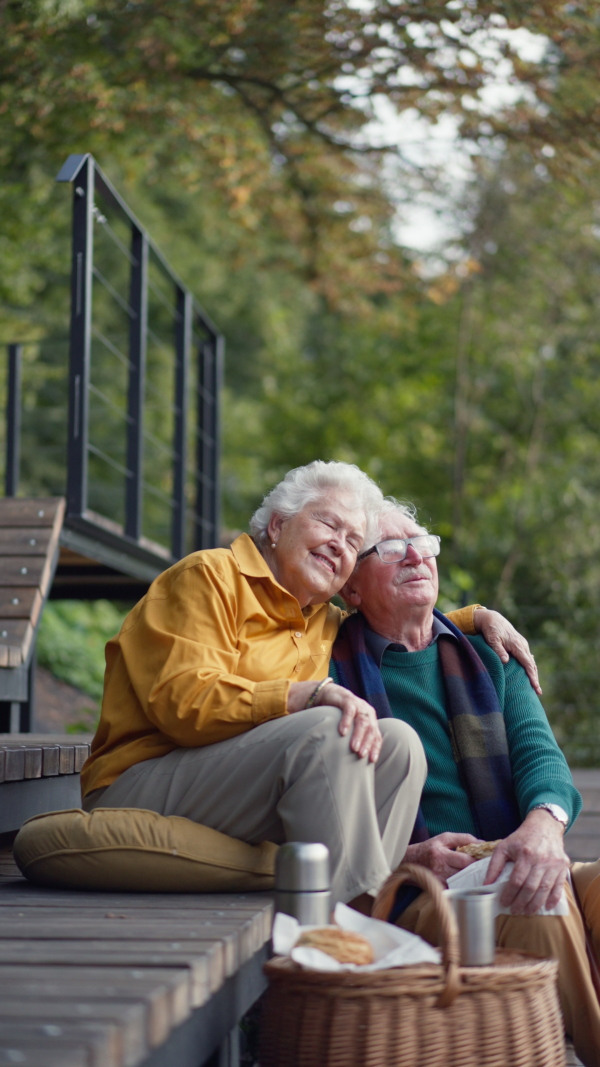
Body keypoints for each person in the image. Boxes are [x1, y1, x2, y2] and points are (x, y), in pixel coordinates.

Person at [80, 460, 534, 909]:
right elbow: (184, 705)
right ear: (277, 526)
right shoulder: (207, 577)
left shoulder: (321, 617)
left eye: (353, 541)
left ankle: (373, 911)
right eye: (327, 524)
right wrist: (304, 695)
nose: (339, 545)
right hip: (145, 778)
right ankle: (340, 931)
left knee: (397, 741)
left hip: (241, 788)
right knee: (328, 731)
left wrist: (476, 617)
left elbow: (395, 613)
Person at [332, 498, 600, 1066]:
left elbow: (541, 759)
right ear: (350, 588)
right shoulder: (330, 673)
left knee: (560, 886)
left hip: (508, 855)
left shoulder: (486, 653)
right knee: (539, 907)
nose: (414, 555)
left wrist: (542, 830)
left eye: (421, 541)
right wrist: (404, 857)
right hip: (415, 888)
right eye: (387, 548)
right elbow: (320, 809)